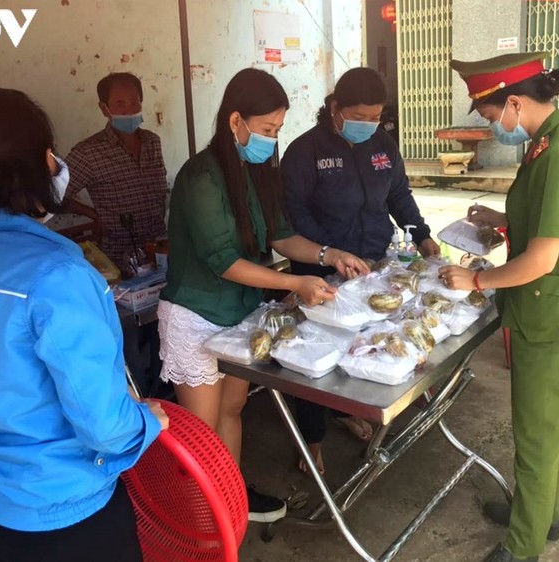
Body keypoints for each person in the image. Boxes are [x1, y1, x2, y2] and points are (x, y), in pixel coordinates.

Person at [0, 88, 169, 562]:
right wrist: (147, 421)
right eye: (51, 153)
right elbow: (107, 429)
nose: (57, 164)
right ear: (34, 165)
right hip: (64, 519)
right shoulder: (58, 276)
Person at [157, 68, 370, 523]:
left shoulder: (254, 172)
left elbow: (282, 236)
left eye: (277, 130)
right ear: (236, 120)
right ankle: (201, 519)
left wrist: (331, 255)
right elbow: (224, 261)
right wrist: (295, 284)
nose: (272, 140)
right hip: (197, 313)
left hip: (238, 313)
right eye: (267, 129)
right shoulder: (201, 176)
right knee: (201, 430)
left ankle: (229, 496)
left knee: (233, 409)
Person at [439, 53, 559, 562]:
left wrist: (476, 278)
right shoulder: (547, 144)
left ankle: (524, 545)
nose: (493, 128)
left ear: (513, 101)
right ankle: (541, 514)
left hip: (550, 317)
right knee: (542, 428)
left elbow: (542, 259)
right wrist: (499, 217)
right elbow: (545, 219)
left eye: (491, 118)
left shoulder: (558, 156)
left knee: (536, 437)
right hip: (542, 312)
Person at [280, 67, 440, 474]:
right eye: (360, 116)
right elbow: (293, 216)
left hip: (374, 264)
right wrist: (332, 254)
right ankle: (312, 439)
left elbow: (399, 194)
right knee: (316, 355)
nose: (369, 125)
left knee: (367, 341)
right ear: (335, 108)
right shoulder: (305, 151)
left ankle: (352, 411)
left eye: (375, 116)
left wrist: (421, 235)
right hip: (323, 270)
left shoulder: (382, 144)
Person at [64, 72, 169, 274]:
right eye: (120, 104)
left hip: (158, 253)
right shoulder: (89, 152)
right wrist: (94, 215)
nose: (129, 110)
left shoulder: (152, 142)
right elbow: (54, 196)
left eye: (134, 103)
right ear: (104, 108)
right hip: (119, 261)